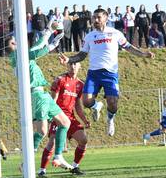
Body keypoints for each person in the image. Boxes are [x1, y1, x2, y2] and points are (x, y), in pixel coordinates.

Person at [59, 8, 154, 137]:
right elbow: (82, 55)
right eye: (94, 18)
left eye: (98, 17)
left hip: (110, 74)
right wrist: (69, 59)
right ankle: (96, 106)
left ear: (106, 18)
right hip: (94, 73)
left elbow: (129, 47)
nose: (95, 20)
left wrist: (143, 54)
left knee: (113, 104)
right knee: (86, 102)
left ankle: (110, 119)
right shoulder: (89, 36)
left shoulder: (115, 33)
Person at [6, 27, 73, 169]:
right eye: (14, 42)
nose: (17, 42)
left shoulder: (20, 57)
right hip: (37, 95)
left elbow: (36, 47)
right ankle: (27, 160)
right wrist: (52, 44)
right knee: (43, 131)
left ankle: (58, 156)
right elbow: (37, 51)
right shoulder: (19, 56)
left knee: (64, 123)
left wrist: (48, 32)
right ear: (11, 46)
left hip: (42, 95)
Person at [38, 62, 90, 177]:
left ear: (79, 66)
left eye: (75, 65)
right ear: (67, 66)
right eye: (70, 64)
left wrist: (84, 119)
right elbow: (53, 100)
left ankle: (75, 166)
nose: (72, 67)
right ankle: (42, 170)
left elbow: (77, 105)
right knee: (52, 142)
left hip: (70, 117)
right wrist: (51, 116)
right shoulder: (60, 80)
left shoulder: (80, 84)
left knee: (83, 140)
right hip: (59, 116)